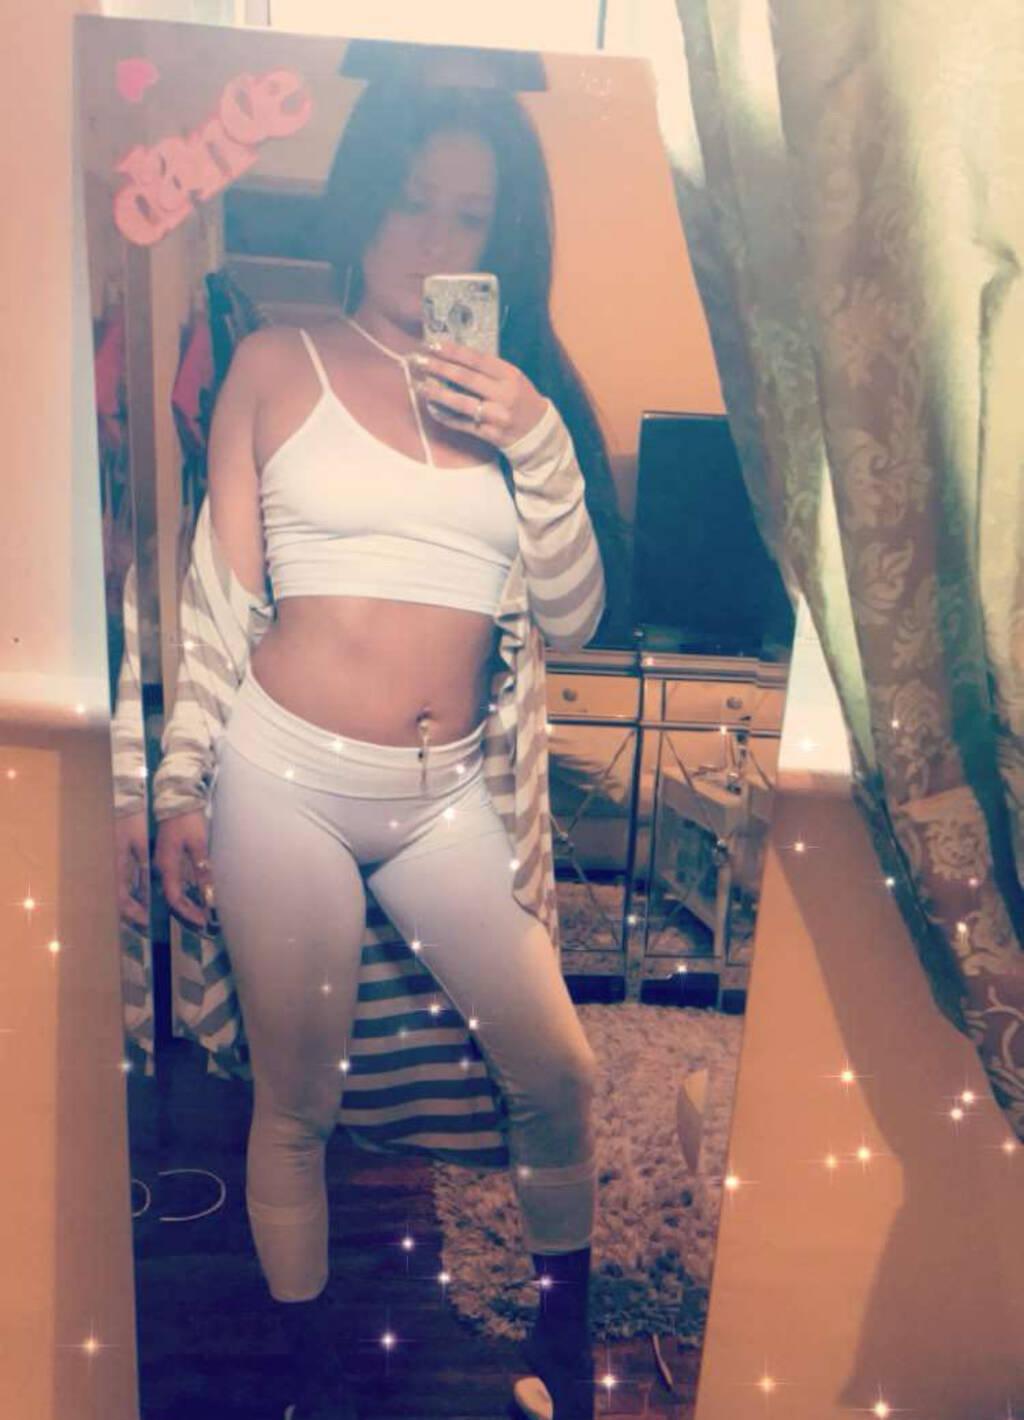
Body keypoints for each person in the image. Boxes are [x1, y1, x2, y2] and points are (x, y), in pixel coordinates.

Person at [153, 81, 621, 1420]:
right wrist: (179, 783)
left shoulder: (519, 404)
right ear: (363, 205)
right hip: (282, 780)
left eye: (468, 215)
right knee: (296, 1100)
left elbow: (576, 618)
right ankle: (307, 1381)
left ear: (499, 240)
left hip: (449, 795)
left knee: (559, 1071)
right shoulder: (273, 363)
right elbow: (219, 604)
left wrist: (537, 440)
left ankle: (564, 1354)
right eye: (412, 202)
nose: (431, 237)